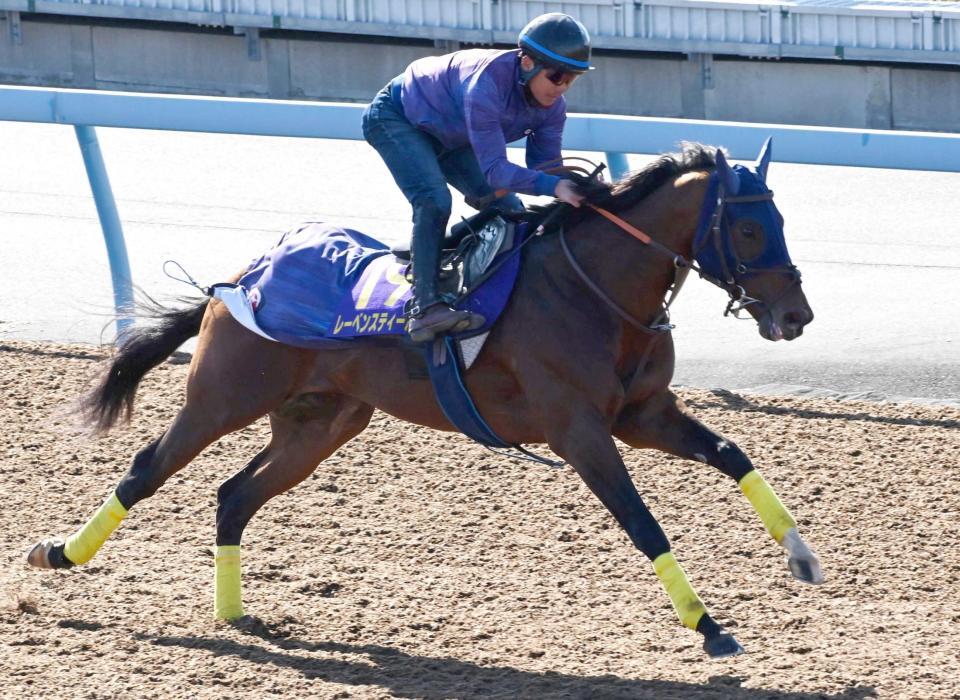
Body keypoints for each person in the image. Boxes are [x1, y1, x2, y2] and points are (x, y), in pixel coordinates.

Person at [361, 12, 593, 343]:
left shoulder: (553, 107)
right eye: (557, 77)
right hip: (398, 118)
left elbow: (546, 167)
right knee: (434, 200)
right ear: (527, 63)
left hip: (452, 135)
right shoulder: (485, 85)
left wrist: (588, 189)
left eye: (572, 79)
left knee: (511, 212)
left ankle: (440, 251)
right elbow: (496, 172)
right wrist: (555, 186)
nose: (563, 88)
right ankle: (424, 308)